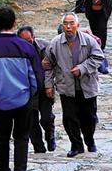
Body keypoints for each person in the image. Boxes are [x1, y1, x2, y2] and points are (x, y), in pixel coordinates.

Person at [0, 7, 44, 171]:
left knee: (1, 139)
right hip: (23, 100)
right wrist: (32, 95)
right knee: (22, 138)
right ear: (15, 23)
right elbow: (36, 76)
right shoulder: (26, 47)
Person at [44, 12, 104, 157]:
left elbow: (98, 57)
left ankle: (90, 141)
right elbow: (48, 65)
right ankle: (76, 145)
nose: (69, 27)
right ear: (62, 26)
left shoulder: (89, 41)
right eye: (66, 24)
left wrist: (82, 68)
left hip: (87, 86)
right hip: (66, 87)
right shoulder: (55, 43)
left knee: (88, 118)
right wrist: (48, 85)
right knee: (69, 119)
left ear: (77, 25)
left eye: (72, 24)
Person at [17, 25, 56, 153]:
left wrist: (50, 85)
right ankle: (39, 148)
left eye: (29, 41)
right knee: (31, 122)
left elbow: (53, 66)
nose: (27, 44)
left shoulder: (45, 47)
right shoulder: (15, 52)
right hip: (27, 91)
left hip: (44, 88)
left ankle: (50, 136)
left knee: (46, 118)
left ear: (33, 37)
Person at [84, 0, 112, 73]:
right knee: (94, 28)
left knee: (102, 28)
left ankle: (102, 46)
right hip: (92, 10)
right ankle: (96, 44)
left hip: (102, 10)